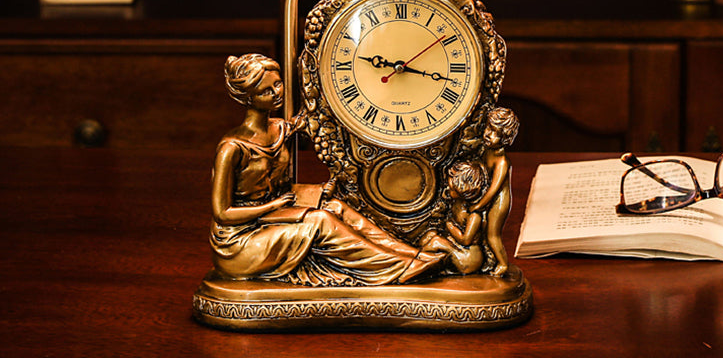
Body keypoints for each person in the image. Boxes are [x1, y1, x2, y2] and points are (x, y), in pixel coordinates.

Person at [209, 53, 446, 286]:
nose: (277, 93)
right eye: (265, 91)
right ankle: (396, 268)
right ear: (248, 98)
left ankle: (412, 255)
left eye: (278, 84)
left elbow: (313, 119)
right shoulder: (232, 148)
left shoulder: (279, 128)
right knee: (320, 219)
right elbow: (223, 213)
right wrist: (273, 205)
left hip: (271, 214)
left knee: (335, 206)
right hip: (241, 239)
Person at [471, 107, 519, 276]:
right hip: (487, 198)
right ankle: (488, 260)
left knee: (493, 234)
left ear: (505, 138)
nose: (488, 134)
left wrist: (479, 204)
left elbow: (494, 189)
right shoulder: (487, 150)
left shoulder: (502, 162)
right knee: (483, 231)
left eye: (495, 132)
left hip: (499, 201)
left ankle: (503, 264)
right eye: (488, 128)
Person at [421, 161, 487, 274]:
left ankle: (415, 265)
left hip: (468, 257)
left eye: (451, 188)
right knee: (428, 236)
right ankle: (428, 263)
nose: (447, 187)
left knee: (436, 242)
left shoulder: (473, 214)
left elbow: (466, 240)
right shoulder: (457, 204)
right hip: (458, 246)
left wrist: (449, 225)